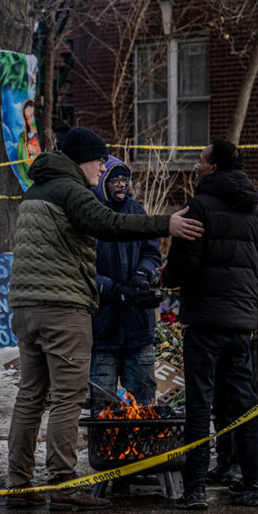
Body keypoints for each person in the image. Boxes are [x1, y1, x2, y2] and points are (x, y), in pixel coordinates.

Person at [6, 127, 203, 511]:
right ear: (83, 159)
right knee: (68, 397)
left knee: (31, 395)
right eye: (99, 160)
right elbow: (109, 225)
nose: (103, 168)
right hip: (63, 308)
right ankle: (63, 484)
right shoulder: (70, 190)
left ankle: (19, 482)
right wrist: (167, 225)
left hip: (27, 307)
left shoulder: (37, 190)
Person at [162, 139, 258, 510]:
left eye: (200, 158)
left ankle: (193, 490)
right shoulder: (257, 214)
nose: (195, 164)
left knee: (199, 403)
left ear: (213, 167)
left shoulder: (199, 208)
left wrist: (165, 277)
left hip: (204, 320)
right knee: (244, 404)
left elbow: (183, 265)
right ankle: (255, 483)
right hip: (242, 321)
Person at [88, 158, 161, 406]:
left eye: (124, 180)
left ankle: (142, 444)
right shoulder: (91, 215)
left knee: (144, 401)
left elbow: (152, 252)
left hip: (138, 327)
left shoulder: (137, 211)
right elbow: (81, 266)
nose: (121, 185)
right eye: (114, 180)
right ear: (102, 183)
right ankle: (106, 445)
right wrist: (112, 289)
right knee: (103, 404)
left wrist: (142, 275)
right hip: (102, 326)